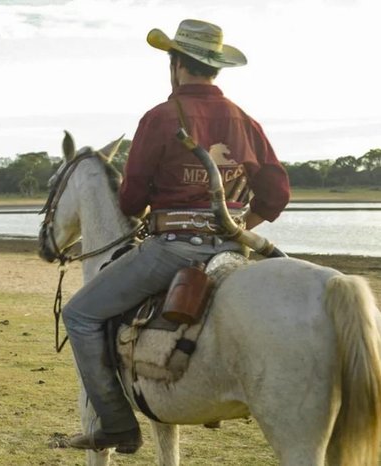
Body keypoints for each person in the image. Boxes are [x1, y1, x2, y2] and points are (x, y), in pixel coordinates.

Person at [63, 19, 290, 453]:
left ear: (175, 64)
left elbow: (130, 201)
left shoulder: (161, 117)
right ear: (214, 68)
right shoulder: (244, 120)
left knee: (81, 315)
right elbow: (278, 193)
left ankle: (116, 425)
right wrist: (235, 228)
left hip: (170, 251)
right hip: (231, 252)